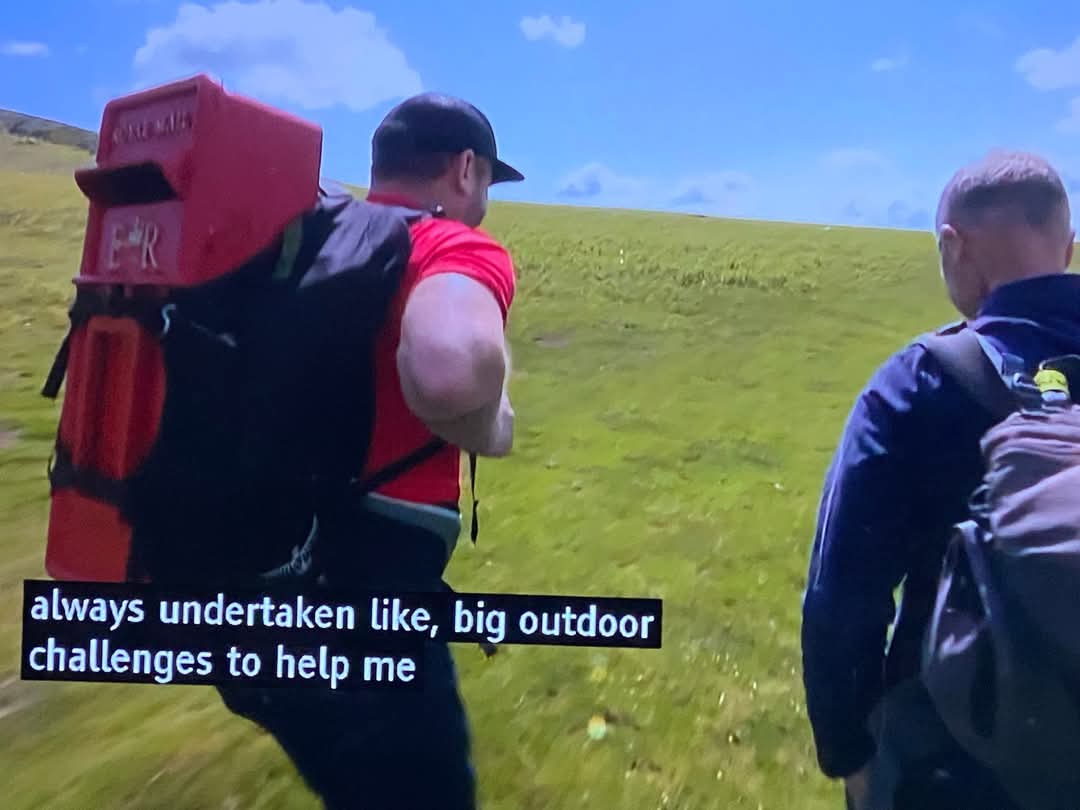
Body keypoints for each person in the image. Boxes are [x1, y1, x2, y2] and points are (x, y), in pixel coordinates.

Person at [216, 92, 524, 810]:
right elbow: (450, 370)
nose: (483, 200)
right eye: (485, 184)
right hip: (364, 601)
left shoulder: (309, 235)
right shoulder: (449, 243)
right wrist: (493, 430)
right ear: (465, 169)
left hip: (245, 584)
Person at [800, 150, 1080, 810]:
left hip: (955, 758)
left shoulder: (919, 382)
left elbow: (842, 596)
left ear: (955, 248)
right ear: (1068, 249)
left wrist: (850, 753)